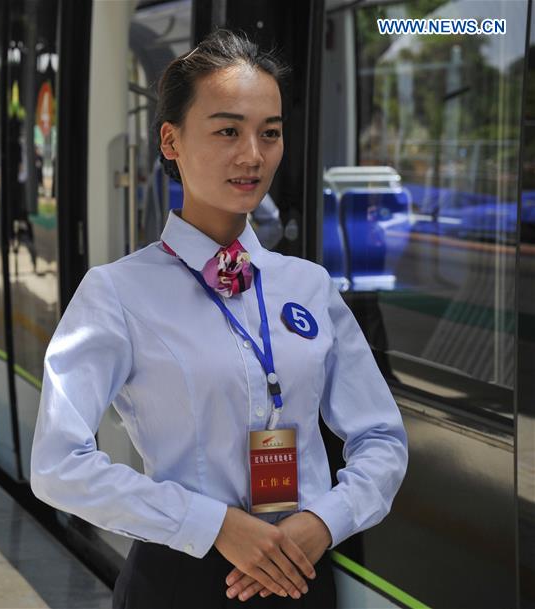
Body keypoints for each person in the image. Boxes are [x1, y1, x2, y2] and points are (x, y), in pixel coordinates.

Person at [30, 30, 408, 609]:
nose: (253, 155)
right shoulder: (116, 293)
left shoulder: (308, 285)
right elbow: (57, 465)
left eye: (270, 133)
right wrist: (216, 525)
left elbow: (381, 437)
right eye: (228, 130)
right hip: (181, 580)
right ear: (171, 139)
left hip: (299, 575)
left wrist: (324, 522)